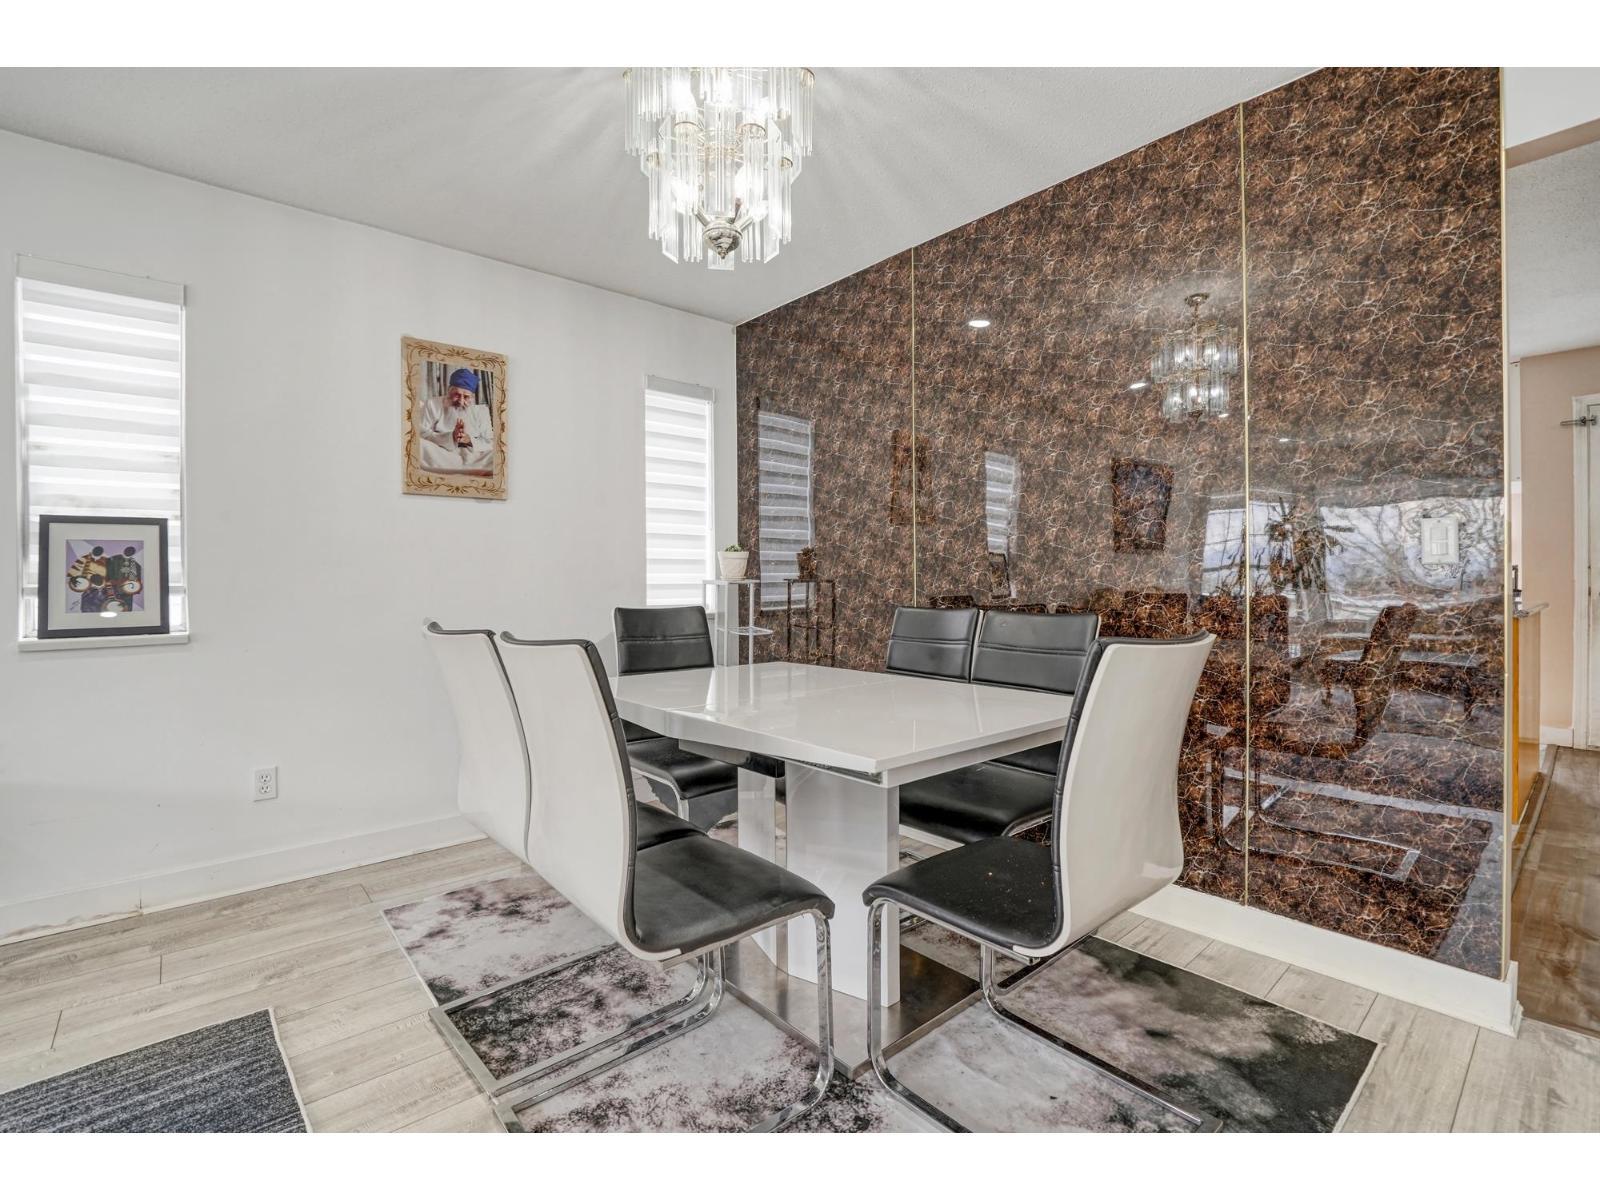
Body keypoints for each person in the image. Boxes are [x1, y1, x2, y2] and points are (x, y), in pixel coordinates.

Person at [417, 366, 496, 474]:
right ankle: (472, 470)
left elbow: (490, 442)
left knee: (501, 452)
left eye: (466, 396)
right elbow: (422, 434)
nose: (461, 401)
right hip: (442, 453)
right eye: (457, 395)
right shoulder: (432, 404)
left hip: (474, 456)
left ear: (472, 397)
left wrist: (469, 440)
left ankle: (467, 468)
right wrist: (451, 437)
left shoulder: (481, 410)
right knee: (419, 444)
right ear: (449, 391)